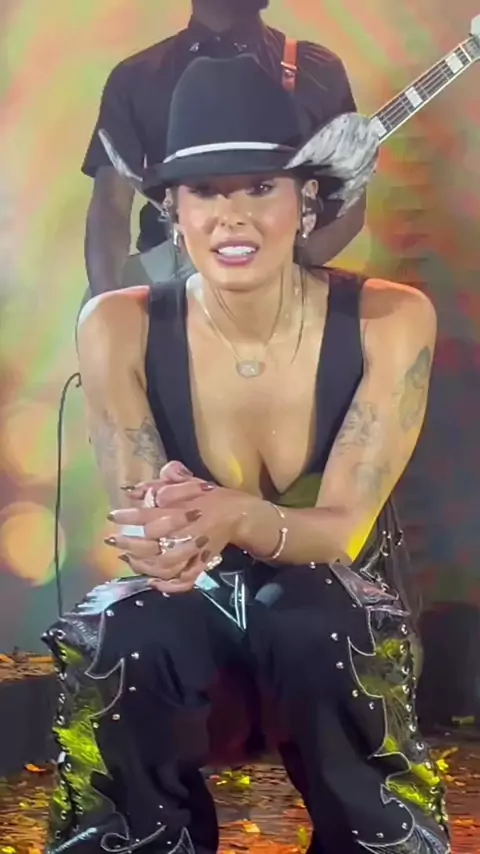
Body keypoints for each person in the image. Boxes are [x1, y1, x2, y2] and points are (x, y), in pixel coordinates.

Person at [43, 55, 449, 854]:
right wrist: (163, 530)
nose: (233, 217)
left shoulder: (390, 320)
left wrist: (235, 515)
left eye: (260, 187)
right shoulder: (117, 326)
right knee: (125, 631)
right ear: (173, 210)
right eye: (205, 190)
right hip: (196, 606)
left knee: (319, 621)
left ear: (306, 201)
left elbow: (341, 530)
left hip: (336, 603)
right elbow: (150, 529)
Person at [83, 0, 365, 296]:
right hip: (168, 287)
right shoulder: (135, 78)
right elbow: (110, 205)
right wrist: (108, 302)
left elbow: (351, 202)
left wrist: (278, 275)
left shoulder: (318, 69)